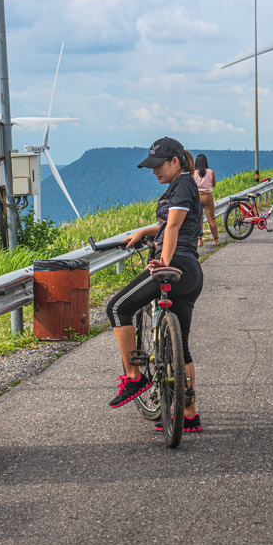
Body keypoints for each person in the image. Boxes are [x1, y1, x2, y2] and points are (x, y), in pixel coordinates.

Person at [105, 138, 205, 433]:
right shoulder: (182, 187)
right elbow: (170, 224)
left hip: (175, 266)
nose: (154, 172)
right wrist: (142, 232)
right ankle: (189, 414)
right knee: (181, 349)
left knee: (117, 308)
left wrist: (163, 259)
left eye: (158, 165)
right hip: (191, 274)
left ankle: (134, 377)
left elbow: (173, 227)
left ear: (175, 162)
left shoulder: (183, 185)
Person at [193, 154, 219, 246]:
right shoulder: (211, 172)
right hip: (208, 197)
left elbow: (192, 186)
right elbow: (214, 184)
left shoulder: (194, 173)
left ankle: (199, 240)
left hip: (197, 197)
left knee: (198, 220)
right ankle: (216, 240)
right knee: (211, 219)